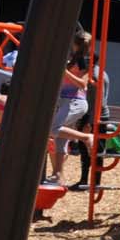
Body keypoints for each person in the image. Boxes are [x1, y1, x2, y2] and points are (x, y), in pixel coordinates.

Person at [46, 32, 95, 183]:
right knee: (57, 140)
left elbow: (83, 85)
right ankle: (57, 175)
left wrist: (65, 72)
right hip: (65, 101)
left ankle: (86, 137)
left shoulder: (84, 61)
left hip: (75, 101)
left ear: (74, 44)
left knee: (52, 129)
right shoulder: (74, 59)